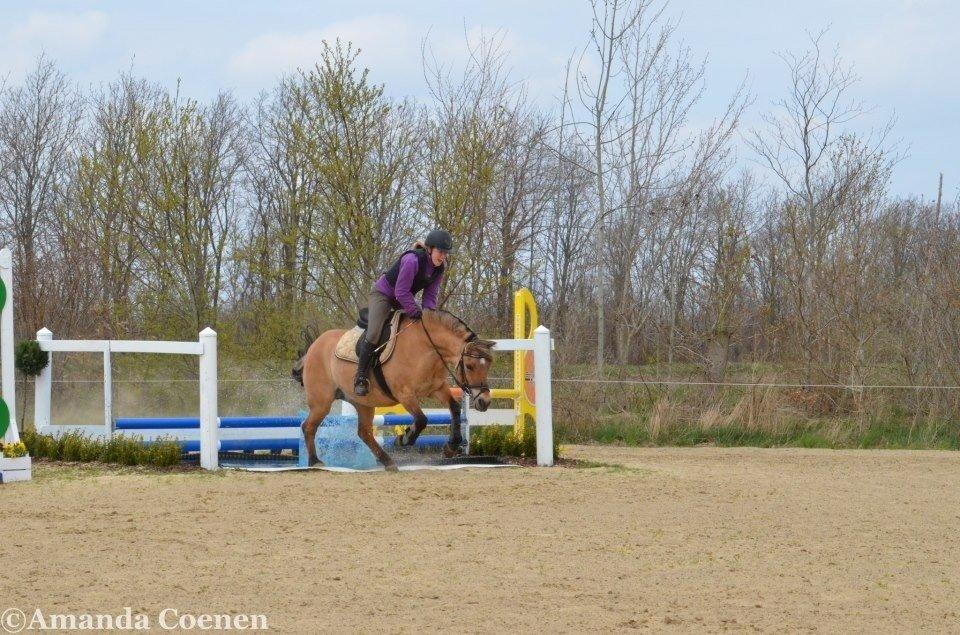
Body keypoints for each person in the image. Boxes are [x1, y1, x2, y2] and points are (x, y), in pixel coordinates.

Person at [354, 229, 453, 396]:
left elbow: (430, 296)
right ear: (430, 249)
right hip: (384, 295)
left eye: (446, 253)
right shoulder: (412, 260)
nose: (443, 256)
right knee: (374, 332)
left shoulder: (439, 269)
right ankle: (360, 376)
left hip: (402, 298)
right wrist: (414, 310)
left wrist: (429, 318)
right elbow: (400, 291)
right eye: (440, 251)